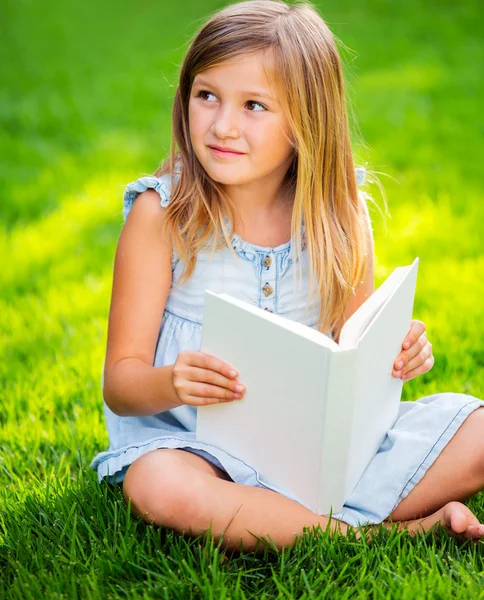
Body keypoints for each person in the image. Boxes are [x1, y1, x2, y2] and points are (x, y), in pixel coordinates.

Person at [90, 0, 484, 554]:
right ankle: (361, 537)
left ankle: (295, 520)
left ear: (307, 122)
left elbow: (353, 361)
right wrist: (172, 382)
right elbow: (121, 384)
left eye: (254, 105)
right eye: (206, 95)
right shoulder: (163, 215)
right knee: (159, 486)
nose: (222, 125)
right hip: (198, 452)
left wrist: (397, 357)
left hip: (313, 451)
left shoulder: (338, 216)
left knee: (480, 434)